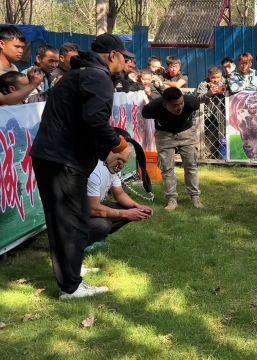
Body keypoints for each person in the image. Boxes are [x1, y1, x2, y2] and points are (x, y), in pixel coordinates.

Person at [30, 33, 133, 300]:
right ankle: (71, 286)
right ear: (113, 56)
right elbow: (95, 122)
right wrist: (118, 146)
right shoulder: (98, 77)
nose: (125, 64)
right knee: (70, 220)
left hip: (54, 155)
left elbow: (82, 122)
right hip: (63, 159)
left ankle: (71, 269)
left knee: (64, 219)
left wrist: (103, 151)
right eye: (124, 58)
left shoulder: (77, 74)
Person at [141, 87, 203, 211]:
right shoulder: (152, 108)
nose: (179, 107)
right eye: (175, 105)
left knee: (191, 164)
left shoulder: (191, 102)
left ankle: (195, 197)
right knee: (166, 168)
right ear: (165, 104)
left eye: (181, 103)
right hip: (164, 135)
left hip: (186, 132)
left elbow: (193, 102)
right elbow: (144, 114)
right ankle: (171, 199)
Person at [87, 161, 153, 246]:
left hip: (89, 209)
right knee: (102, 224)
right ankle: (80, 244)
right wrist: (125, 214)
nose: (121, 165)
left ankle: (97, 237)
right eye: (119, 160)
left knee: (131, 210)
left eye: (125, 162)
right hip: (76, 214)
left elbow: (119, 194)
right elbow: (93, 209)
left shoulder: (112, 168)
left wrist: (138, 206)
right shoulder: (95, 171)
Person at [0, 26, 44, 105]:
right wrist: (32, 84)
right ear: (2, 44)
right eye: (17, 47)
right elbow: (3, 100)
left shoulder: (13, 67)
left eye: (22, 47)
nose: (21, 51)